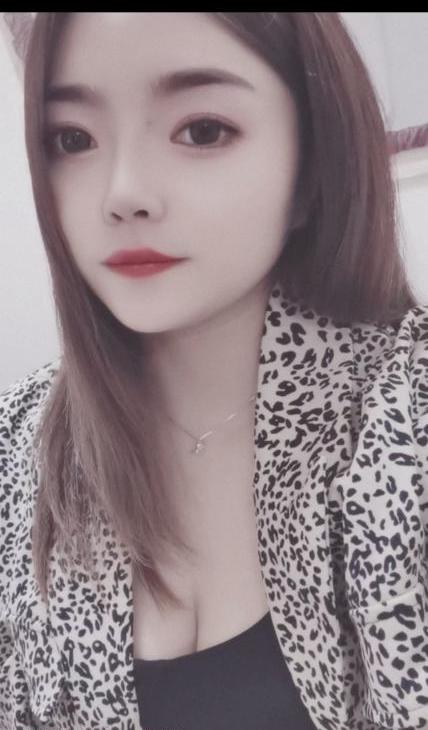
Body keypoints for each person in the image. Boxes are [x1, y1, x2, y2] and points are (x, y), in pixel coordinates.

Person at [0, 11, 427, 730]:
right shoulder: (21, 448)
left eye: (202, 130)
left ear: (313, 158)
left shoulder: (407, 417)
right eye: (71, 139)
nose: (123, 192)